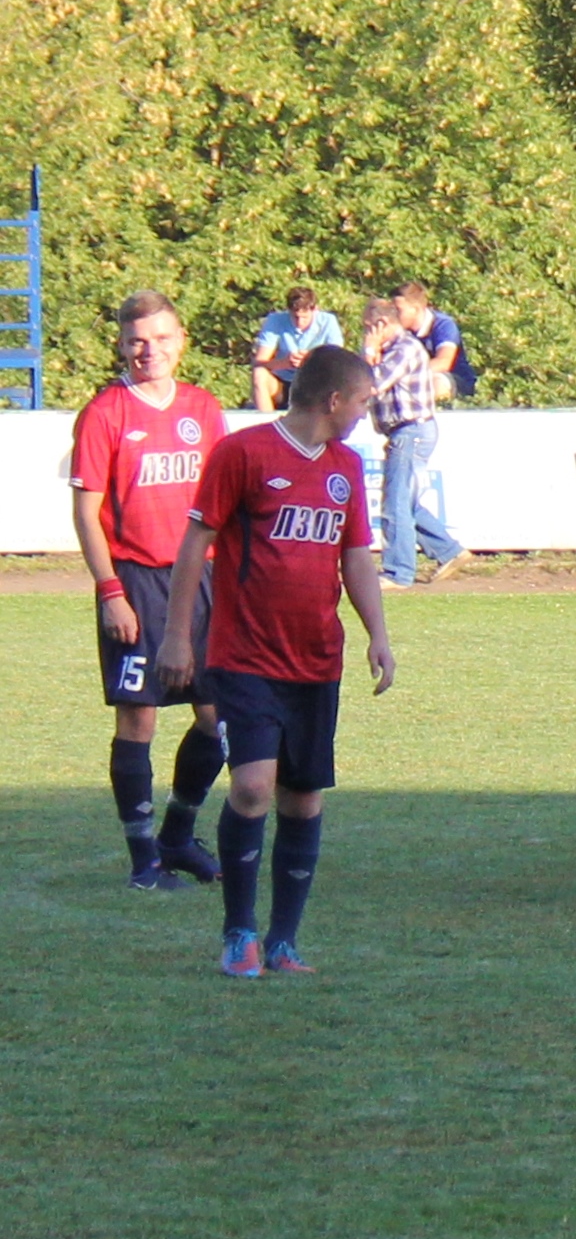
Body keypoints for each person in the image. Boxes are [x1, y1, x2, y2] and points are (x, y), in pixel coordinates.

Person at [157, 344, 394, 979]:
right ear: (334, 400)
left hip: (316, 659)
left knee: (303, 799)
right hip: (245, 656)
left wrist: (377, 634)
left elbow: (355, 555)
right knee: (252, 786)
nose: (366, 414)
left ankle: (284, 940)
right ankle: (239, 932)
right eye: (363, 402)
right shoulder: (243, 454)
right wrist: (177, 635)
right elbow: (196, 542)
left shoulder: (345, 466)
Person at [71, 293, 232, 889]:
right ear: (121, 344)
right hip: (137, 581)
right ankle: (144, 861)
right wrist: (111, 591)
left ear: (180, 340)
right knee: (139, 719)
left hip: (204, 578)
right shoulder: (105, 412)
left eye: (161, 338)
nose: (150, 350)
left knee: (217, 717)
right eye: (138, 340)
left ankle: (177, 835)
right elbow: (86, 513)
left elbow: (222, 500)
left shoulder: (202, 407)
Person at [360, 298, 464, 588]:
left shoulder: (404, 349)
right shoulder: (390, 350)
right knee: (405, 500)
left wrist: (368, 351)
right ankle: (449, 551)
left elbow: (371, 385)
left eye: (368, 327)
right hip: (407, 432)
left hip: (411, 431)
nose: (366, 333)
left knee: (395, 503)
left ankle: (398, 572)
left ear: (382, 323)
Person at [250, 285, 342, 412]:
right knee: (259, 374)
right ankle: (267, 420)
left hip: (313, 384)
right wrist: (284, 363)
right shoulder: (275, 320)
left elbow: (337, 359)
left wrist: (310, 360)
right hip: (282, 384)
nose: (299, 323)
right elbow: (259, 361)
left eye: (305, 317)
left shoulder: (328, 321)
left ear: (315, 310)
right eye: (295, 317)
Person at [394, 283, 475, 402]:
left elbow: (443, 362)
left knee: (435, 382)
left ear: (416, 309)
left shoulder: (443, 325)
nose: (394, 315)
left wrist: (403, 374)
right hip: (415, 376)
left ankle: (439, 409)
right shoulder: (398, 330)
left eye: (398, 310)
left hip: (454, 378)